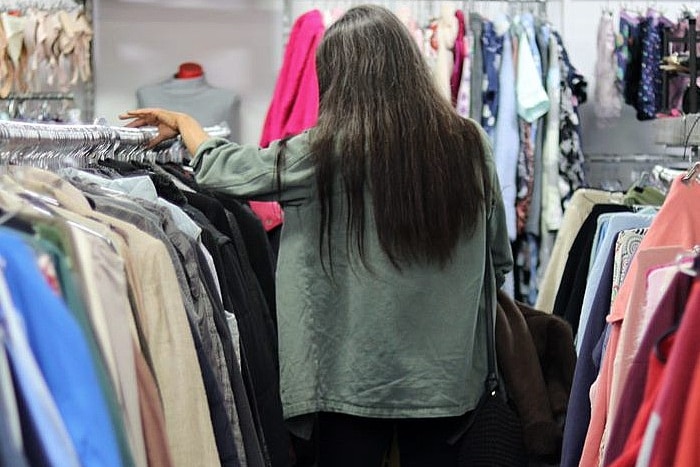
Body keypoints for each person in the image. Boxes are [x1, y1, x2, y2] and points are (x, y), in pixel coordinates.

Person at [120, 5, 512, 466]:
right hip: (445, 382)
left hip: (348, 383)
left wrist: (188, 126)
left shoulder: (323, 151)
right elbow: (497, 260)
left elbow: (230, 170)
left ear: (337, 78)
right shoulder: (469, 143)